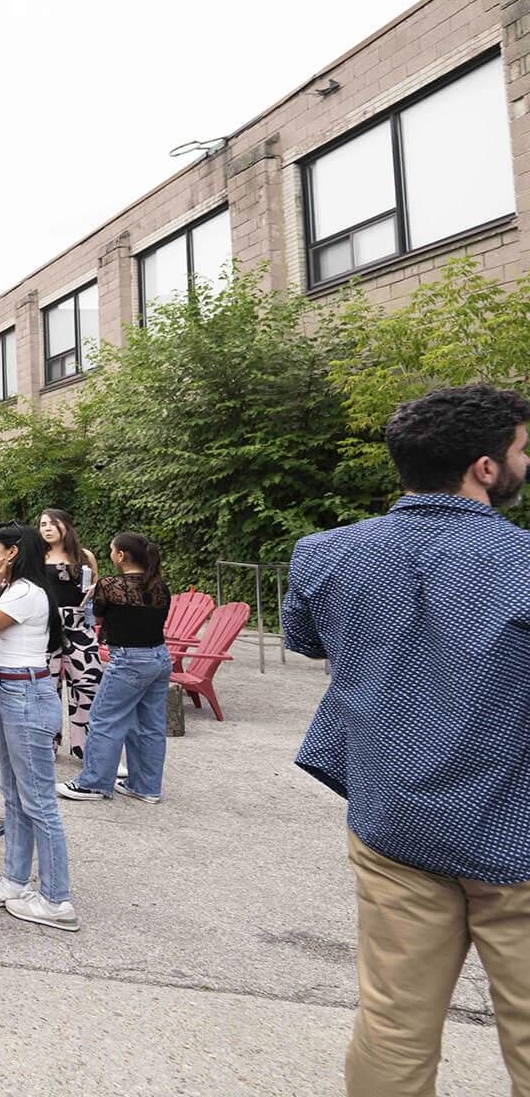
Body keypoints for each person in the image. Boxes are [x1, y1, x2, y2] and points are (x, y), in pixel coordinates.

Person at [282, 385, 530, 1095]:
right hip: (517, 832)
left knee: (393, 1024)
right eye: (520, 448)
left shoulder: (327, 554)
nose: (525, 459)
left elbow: (305, 640)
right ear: (484, 467)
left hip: (394, 823)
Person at [0, 524, 79, 932]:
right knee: (13, 793)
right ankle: (14, 879)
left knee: (39, 801)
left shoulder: (25, 593)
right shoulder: (16, 589)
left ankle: (57, 899)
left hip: (26, 695)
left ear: (12, 552)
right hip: (12, 691)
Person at [59, 534, 172, 804]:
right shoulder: (160, 586)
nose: (110, 554)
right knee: (150, 725)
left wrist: (90, 598)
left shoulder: (109, 585)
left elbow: (93, 619)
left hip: (128, 660)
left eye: (112, 550)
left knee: (103, 719)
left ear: (121, 556)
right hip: (159, 658)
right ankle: (146, 786)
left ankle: (94, 783)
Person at [40, 507, 102, 758]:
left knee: (88, 684)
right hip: (45, 626)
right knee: (46, 688)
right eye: (42, 524)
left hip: (78, 626)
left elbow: (95, 590)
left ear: (66, 525)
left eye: (52, 523)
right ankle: (47, 746)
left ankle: (86, 748)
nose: (47, 528)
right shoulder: (36, 556)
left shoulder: (84, 556)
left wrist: (95, 592)